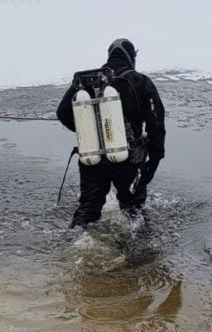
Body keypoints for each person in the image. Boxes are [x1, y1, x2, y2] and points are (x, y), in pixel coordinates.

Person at [56, 38, 166, 229]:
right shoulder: (140, 82)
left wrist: (86, 131)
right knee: (132, 209)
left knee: (88, 210)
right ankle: (139, 255)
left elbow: (62, 113)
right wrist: (153, 162)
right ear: (132, 57)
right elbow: (156, 125)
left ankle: (77, 245)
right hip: (129, 159)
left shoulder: (87, 81)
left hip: (93, 156)